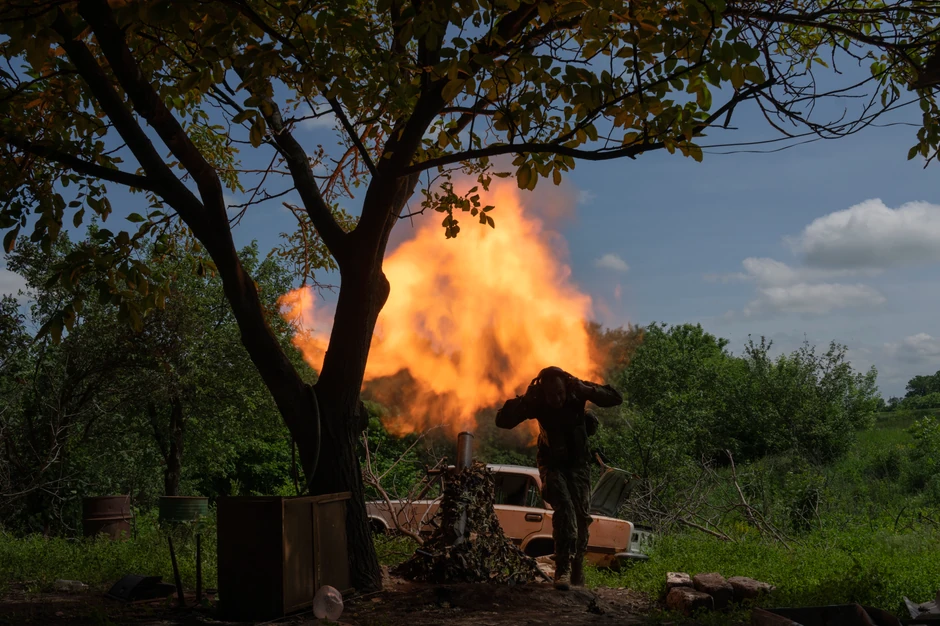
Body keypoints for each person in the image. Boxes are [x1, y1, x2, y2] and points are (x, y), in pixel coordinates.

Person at [495, 366, 623, 590]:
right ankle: (562, 568)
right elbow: (502, 420)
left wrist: (588, 390)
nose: (557, 399)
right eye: (551, 394)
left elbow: (615, 398)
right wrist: (524, 400)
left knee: (582, 518)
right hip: (551, 464)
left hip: (578, 465)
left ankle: (577, 565)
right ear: (543, 392)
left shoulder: (576, 390)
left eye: (560, 393)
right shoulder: (536, 401)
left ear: (566, 388)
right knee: (564, 509)